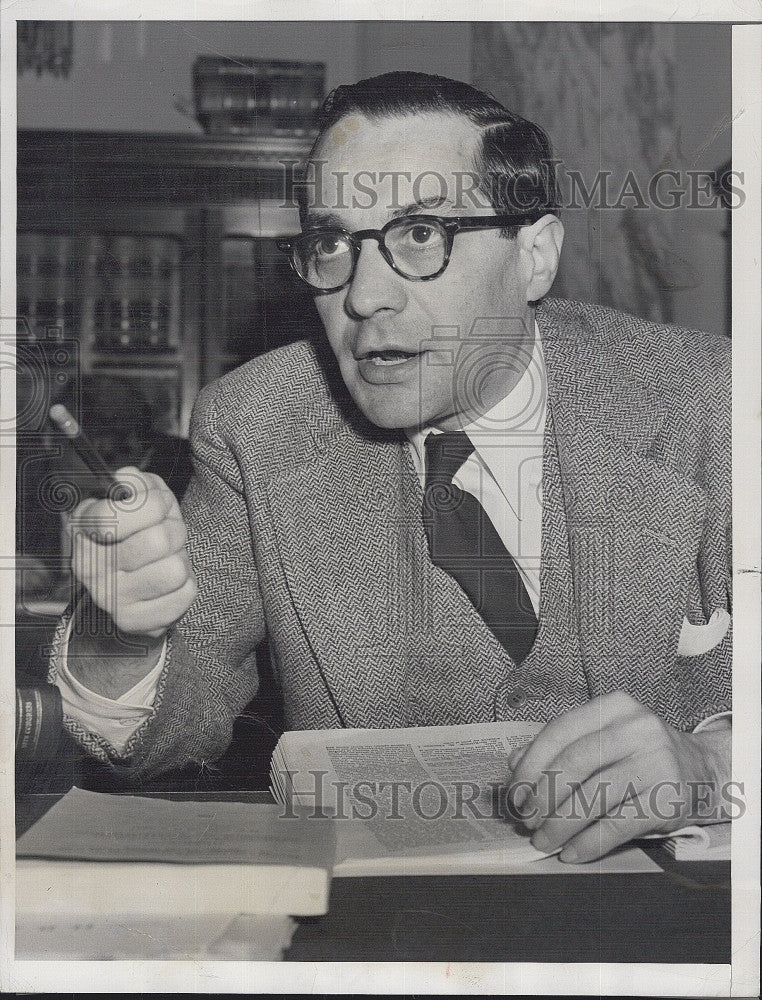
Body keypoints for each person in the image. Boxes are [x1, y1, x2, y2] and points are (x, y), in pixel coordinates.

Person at [50, 72, 731, 864]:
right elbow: (177, 709)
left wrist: (713, 764)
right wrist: (120, 634)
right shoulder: (256, 425)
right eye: (333, 245)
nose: (365, 295)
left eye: (419, 235)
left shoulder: (711, 401)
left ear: (535, 257)